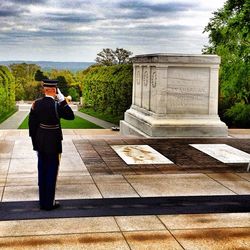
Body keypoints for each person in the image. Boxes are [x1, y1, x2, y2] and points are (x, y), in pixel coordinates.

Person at [29, 79, 74, 210]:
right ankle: (50, 203)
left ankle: (43, 201)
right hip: (54, 142)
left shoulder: (36, 104)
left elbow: (32, 127)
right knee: (51, 172)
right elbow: (71, 116)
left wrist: (35, 144)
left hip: (41, 142)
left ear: (44, 89)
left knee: (42, 171)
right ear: (55, 90)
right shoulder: (57, 105)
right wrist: (62, 100)